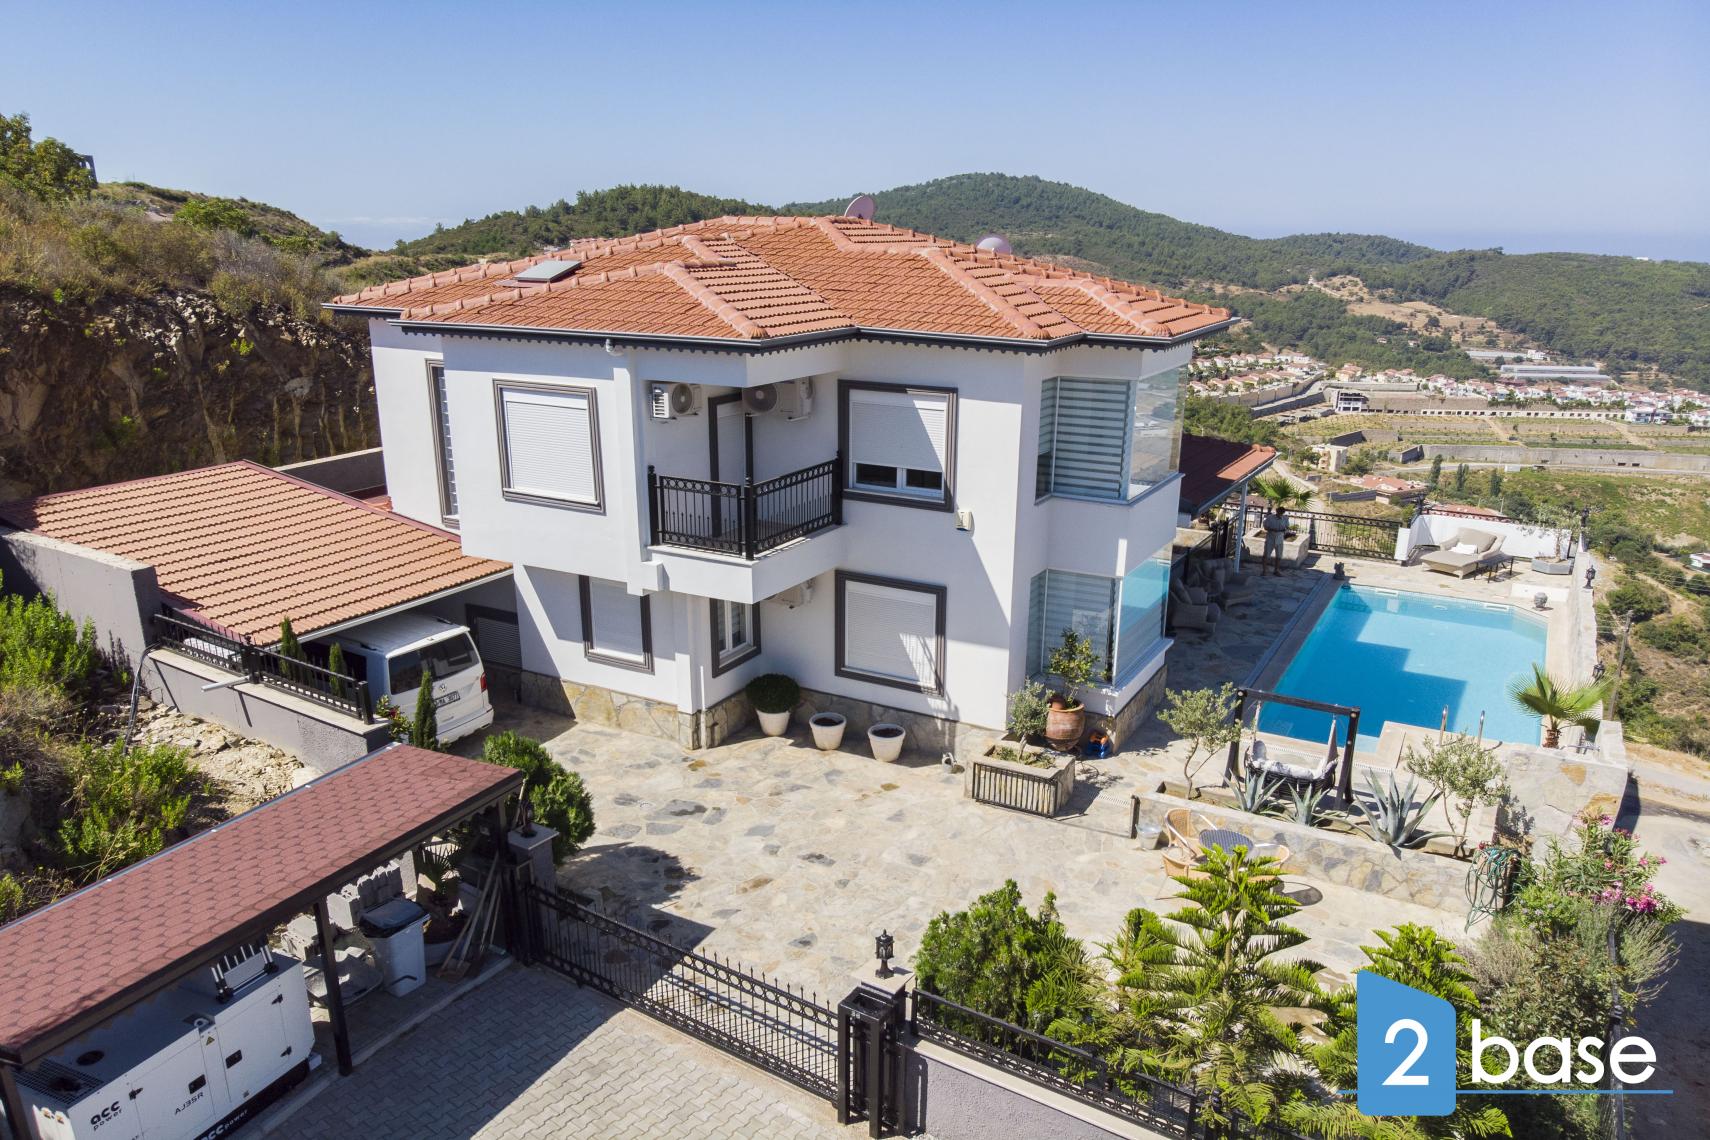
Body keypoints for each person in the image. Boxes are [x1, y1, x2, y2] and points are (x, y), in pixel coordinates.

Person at [1262, 503, 1291, 575]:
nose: (1280, 513)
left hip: (1280, 538)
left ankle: (1276, 570)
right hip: (1270, 537)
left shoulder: (1285, 518)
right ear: (1277, 511)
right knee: (1266, 554)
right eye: (1279, 511)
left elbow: (1287, 527)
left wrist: (1285, 530)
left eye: (1282, 512)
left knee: (1279, 555)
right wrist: (1272, 529)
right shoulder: (1270, 517)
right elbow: (1265, 527)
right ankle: (1264, 570)